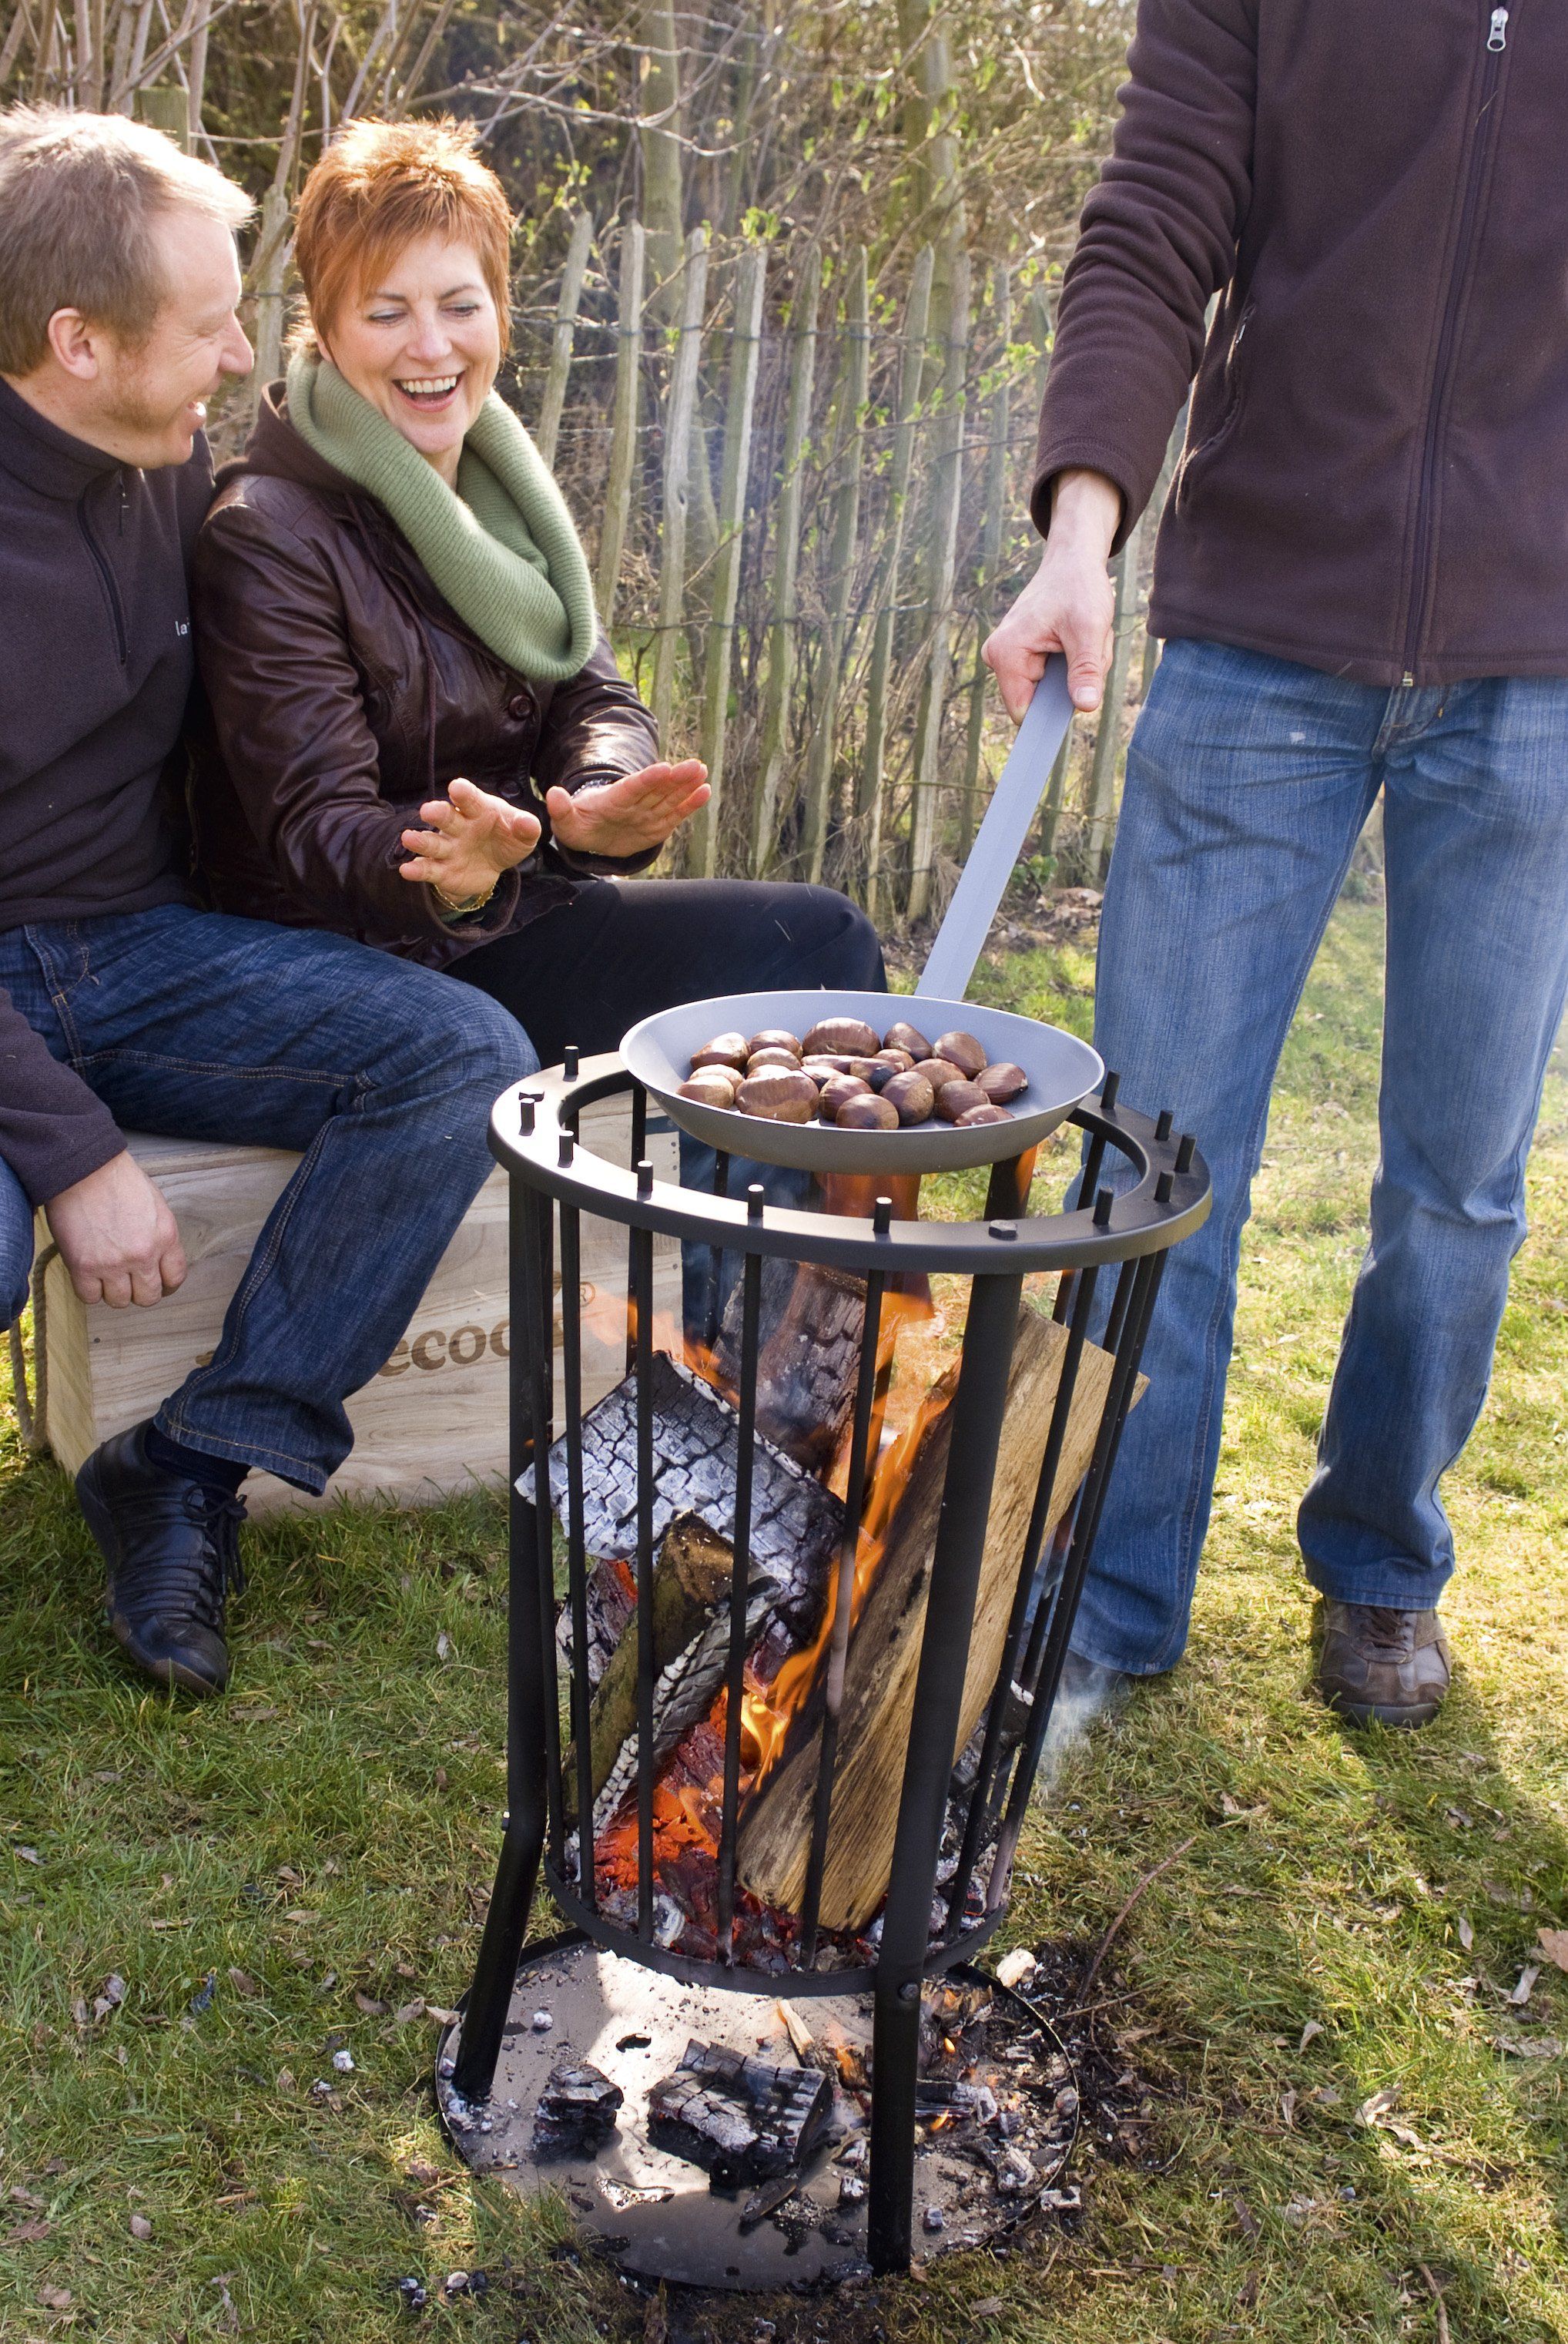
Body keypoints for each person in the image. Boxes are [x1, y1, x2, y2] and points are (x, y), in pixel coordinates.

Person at [984, 0, 1568, 1728]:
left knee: (1458, 1180)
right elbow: (1153, 226)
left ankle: (1382, 1561)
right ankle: (1114, 1582)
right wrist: (1082, 533)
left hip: (1536, 668)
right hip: (1260, 647)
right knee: (1158, 1154)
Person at [0, 106, 534, 1698]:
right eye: (212, 319)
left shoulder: (175, 478)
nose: (248, 352)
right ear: (79, 342)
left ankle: (188, 1465)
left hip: (146, 952)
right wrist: (70, 1151)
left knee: (459, 1056)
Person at [188, 116, 883, 1077]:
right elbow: (317, 831)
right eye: (385, 313)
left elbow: (593, 695)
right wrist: (449, 865)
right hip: (359, 963)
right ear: (326, 325)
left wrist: (592, 800)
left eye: (460, 306)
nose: (430, 346)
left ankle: (768, 1234)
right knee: (798, 965)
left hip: (502, 920)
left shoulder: (496, 486)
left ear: (501, 313)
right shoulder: (266, 529)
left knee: (815, 945)